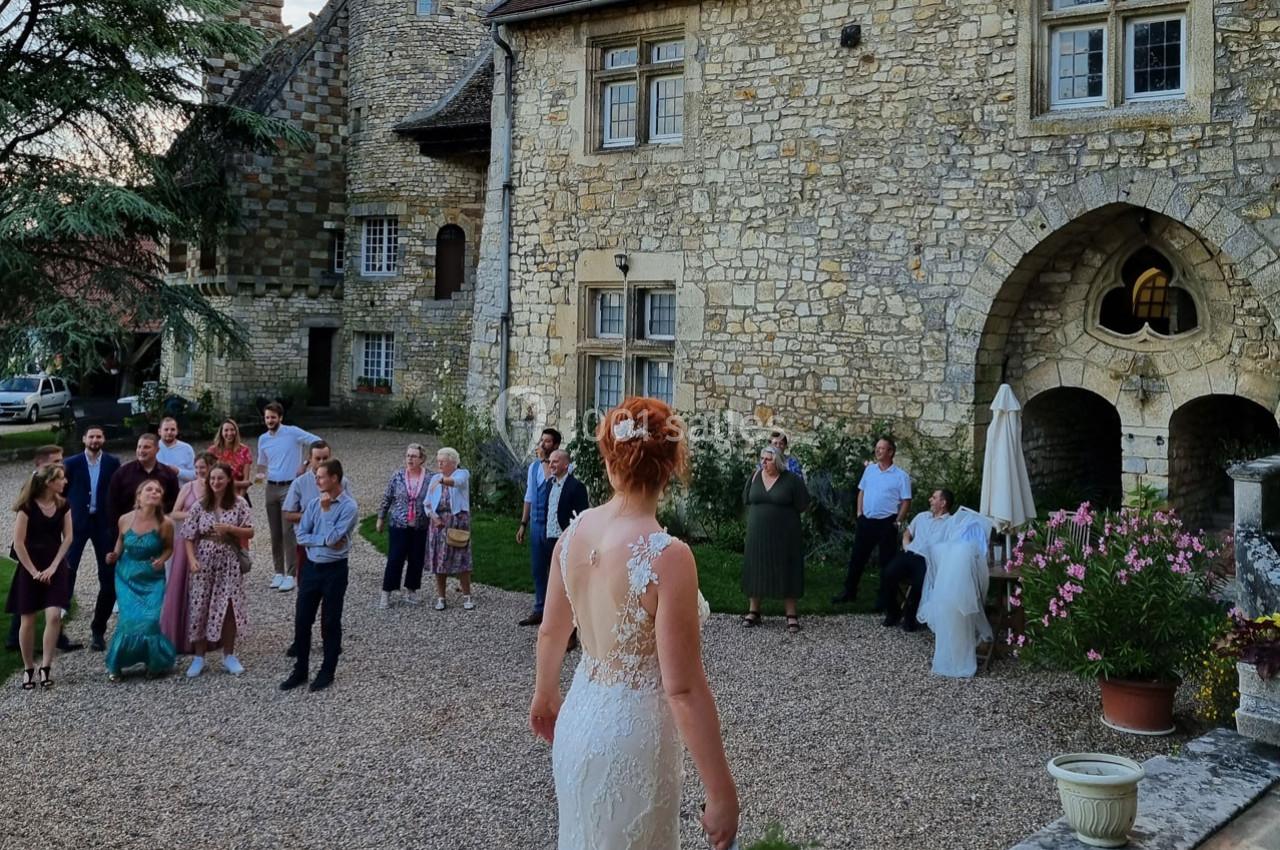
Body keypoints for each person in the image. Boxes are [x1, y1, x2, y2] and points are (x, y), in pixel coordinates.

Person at [529, 398, 738, 850]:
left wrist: (545, 694)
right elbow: (682, 688)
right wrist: (721, 793)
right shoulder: (668, 556)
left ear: (608, 461)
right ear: (669, 468)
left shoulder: (572, 534)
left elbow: (551, 629)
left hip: (579, 718)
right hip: (634, 736)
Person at [92, 434, 179, 650]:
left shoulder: (167, 474)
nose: (141, 450)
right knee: (109, 585)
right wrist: (117, 539)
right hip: (123, 535)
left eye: (147, 447)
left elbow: (173, 501)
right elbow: (111, 504)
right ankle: (98, 631)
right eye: (139, 446)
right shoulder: (123, 473)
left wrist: (157, 527)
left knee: (153, 597)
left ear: (156, 449)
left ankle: (152, 639)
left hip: (153, 540)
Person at [280, 459, 358, 693]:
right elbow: (302, 535)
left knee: (331, 621)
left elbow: (336, 539)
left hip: (335, 570)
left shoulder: (349, 507)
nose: (317, 480)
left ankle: (327, 671)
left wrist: (325, 515)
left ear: (334, 478)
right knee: (302, 619)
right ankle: (300, 669)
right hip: (312, 568)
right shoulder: (314, 503)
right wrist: (322, 541)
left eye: (321, 476)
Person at [181, 463, 253, 677]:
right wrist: (192, 559)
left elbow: (250, 531)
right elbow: (188, 535)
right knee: (199, 606)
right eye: (212, 479)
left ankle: (229, 655)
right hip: (204, 561)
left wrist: (231, 529)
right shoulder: (200, 505)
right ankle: (199, 657)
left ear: (229, 480)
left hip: (229, 562)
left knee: (229, 607)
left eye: (220, 478)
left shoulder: (239, 504)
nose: (215, 482)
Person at [5, 443, 79, 653]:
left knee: (52, 601)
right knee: (26, 598)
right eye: (56, 461)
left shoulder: (58, 494)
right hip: (32, 550)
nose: (61, 464)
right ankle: (16, 639)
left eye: (61, 460)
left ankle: (57, 637)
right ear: (42, 464)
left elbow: (67, 532)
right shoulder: (32, 489)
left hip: (50, 550)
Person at [282, 440, 350, 657]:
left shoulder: (341, 482)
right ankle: (300, 641)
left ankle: (328, 640)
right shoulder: (301, 483)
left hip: (332, 550)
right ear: (309, 459)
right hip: (309, 545)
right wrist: (315, 516)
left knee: (331, 600)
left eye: (325, 457)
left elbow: (346, 512)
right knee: (305, 594)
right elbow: (287, 513)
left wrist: (327, 520)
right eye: (318, 458)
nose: (321, 461)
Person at [104, 480, 177, 680]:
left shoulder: (166, 523)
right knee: (128, 620)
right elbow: (121, 539)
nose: (154, 492)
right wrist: (114, 554)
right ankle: (116, 665)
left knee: (150, 621)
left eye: (158, 490)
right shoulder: (125, 519)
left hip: (152, 578)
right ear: (139, 496)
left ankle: (155, 662)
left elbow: (169, 547)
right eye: (149, 489)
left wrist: (162, 560)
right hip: (126, 576)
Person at [833, 437, 911, 605]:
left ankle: (884, 597)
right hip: (866, 520)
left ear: (891, 452)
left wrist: (898, 521)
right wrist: (859, 513)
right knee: (857, 558)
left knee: (886, 561)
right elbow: (862, 491)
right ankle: (849, 591)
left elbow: (906, 501)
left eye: (882, 448)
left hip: (887, 522)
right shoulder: (870, 470)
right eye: (877, 448)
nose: (877, 451)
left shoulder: (900, 476)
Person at [741, 445, 810, 633]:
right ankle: (754, 610)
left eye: (768, 459)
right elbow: (746, 498)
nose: (763, 462)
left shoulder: (791, 480)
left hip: (785, 535)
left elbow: (803, 503)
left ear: (778, 461)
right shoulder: (755, 476)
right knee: (756, 568)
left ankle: (791, 614)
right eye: (762, 458)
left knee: (787, 569)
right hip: (758, 534)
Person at [255, 402, 321, 592]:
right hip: (271, 486)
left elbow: (317, 442)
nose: (270, 421)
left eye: (273, 417)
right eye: (267, 417)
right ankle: (278, 572)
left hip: (290, 486)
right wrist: (259, 476)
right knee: (274, 532)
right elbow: (262, 463)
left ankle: (291, 574)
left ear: (280, 418)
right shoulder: (263, 439)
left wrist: (306, 463)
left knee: (288, 532)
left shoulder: (292, 432)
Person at [159, 451, 215, 653]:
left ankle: (208, 637)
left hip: (209, 542)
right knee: (181, 585)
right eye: (198, 467)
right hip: (187, 541)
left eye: (204, 468)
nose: (200, 471)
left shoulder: (216, 487)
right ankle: (179, 635)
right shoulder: (189, 487)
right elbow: (174, 512)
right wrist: (195, 514)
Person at [878, 488, 955, 631]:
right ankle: (893, 612)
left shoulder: (951, 523)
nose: (930, 500)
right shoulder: (922, 516)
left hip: (928, 560)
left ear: (943, 503)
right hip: (910, 554)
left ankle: (910, 617)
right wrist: (906, 546)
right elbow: (907, 533)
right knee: (887, 573)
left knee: (921, 582)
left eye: (933, 497)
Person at [376, 443, 430, 608]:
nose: (410, 459)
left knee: (416, 559)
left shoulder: (429, 478)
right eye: (408, 455)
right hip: (399, 524)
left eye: (414, 456)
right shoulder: (398, 476)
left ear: (422, 459)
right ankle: (386, 592)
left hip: (420, 525)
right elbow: (387, 497)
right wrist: (381, 517)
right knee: (395, 558)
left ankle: (411, 590)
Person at [517, 428, 560, 625]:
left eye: (548, 441)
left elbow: (550, 482)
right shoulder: (533, 467)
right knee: (537, 568)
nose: (543, 444)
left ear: (556, 446)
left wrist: (544, 460)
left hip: (554, 525)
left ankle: (557, 613)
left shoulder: (561, 467)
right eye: (542, 440)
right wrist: (523, 524)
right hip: (535, 523)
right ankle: (539, 608)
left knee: (557, 570)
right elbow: (529, 496)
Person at [424, 447, 474, 611]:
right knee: (439, 562)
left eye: (443, 461)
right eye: (438, 461)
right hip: (439, 525)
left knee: (462, 560)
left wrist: (441, 481)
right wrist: (433, 516)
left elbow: (456, 483)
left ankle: (467, 596)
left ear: (453, 462)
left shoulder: (462, 474)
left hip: (457, 522)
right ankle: (441, 597)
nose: (439, 464)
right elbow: (427, 504)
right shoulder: (435, 479)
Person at [209, 418, 254, 503]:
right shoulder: (212, 451)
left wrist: (240, 500)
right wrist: (239, 483)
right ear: (221, 432)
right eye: (226, 430)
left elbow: (246, 479)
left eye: (232, 430)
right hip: (218, 495)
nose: (229, 433)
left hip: (239, 494)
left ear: (236, 432)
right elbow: (208, 478)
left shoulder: (244, 450)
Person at [157, 416, 197, 484]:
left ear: (177, 431)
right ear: (159, 431)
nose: (169, 432)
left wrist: (178, 472)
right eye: (166, 429)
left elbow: (195, 475)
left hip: (183, 491)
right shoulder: (152, 448)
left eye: (172, 429)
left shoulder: (187, 448)